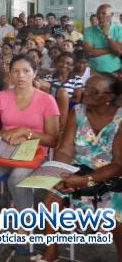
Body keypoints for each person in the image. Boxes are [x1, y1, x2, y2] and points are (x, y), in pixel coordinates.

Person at [0, 54, 60, 250]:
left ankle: (24, 227)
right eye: (16, 71)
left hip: (34, 151)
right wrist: (6, 132)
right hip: (4, 148)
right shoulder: (2, 97)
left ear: (34, 73)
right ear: (9, 74)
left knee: (17, 180)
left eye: (26, 71)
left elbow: (53, 139)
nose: (21, 75)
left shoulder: (47, 100)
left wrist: (27, 132)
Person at [36, 73, 122, 262]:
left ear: (108, 97)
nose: (85, 92)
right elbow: (65, 150)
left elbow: (118, 164)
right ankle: (51, 251)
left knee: (117, 215)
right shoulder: (78, 112)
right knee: (53, 195)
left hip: (112, 176)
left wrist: (86, 181)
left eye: (93, 90)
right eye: (86, 87)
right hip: (78, 170)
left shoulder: (120, 118)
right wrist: (60, 172)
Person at [38, 52, 83, 128]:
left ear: (72, 66)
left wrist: (61, 100)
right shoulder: (48, 78)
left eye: (69, 63)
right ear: (57, 63)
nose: (64, 65)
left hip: (69, 110)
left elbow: (77, 99)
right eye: (61, 62)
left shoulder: (77, 79)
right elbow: (43, 96)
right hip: (49, 109)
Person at [84, 4, 122, 73]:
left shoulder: (119, 29)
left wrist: (107, 35)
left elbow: (119, 51)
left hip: (115, 69)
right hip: (94, 69)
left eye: (104, 13)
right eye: (98, 13)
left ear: (111, 14)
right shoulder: (89, 30)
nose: (100, 15)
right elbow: (89, 52)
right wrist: (112, 49)